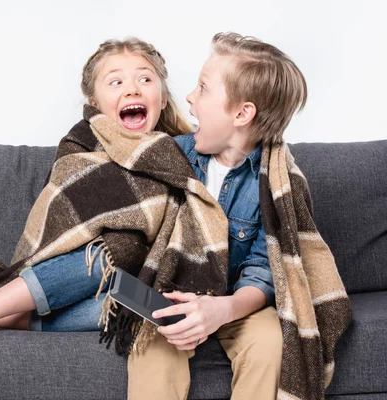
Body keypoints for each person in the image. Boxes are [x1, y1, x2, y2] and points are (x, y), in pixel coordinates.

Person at [0, 36, 202, 366]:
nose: (133, 89)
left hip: (143, 279)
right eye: (116, 81)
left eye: (145, 79)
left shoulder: (187, 153)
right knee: (109, 253)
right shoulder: (80, 147)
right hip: (78, 267)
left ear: (162, 98)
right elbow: (63, 221)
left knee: (135, 312)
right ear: (96, 103)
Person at [127, 33, 350, 400]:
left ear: (242, 114)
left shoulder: (277, 181)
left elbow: (265, 268)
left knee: (269, 340)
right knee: (152, 347)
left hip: (234, 300)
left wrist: (224, 308)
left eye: (203, 88)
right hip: (171, 296)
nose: (189, 97)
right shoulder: (170, 158)